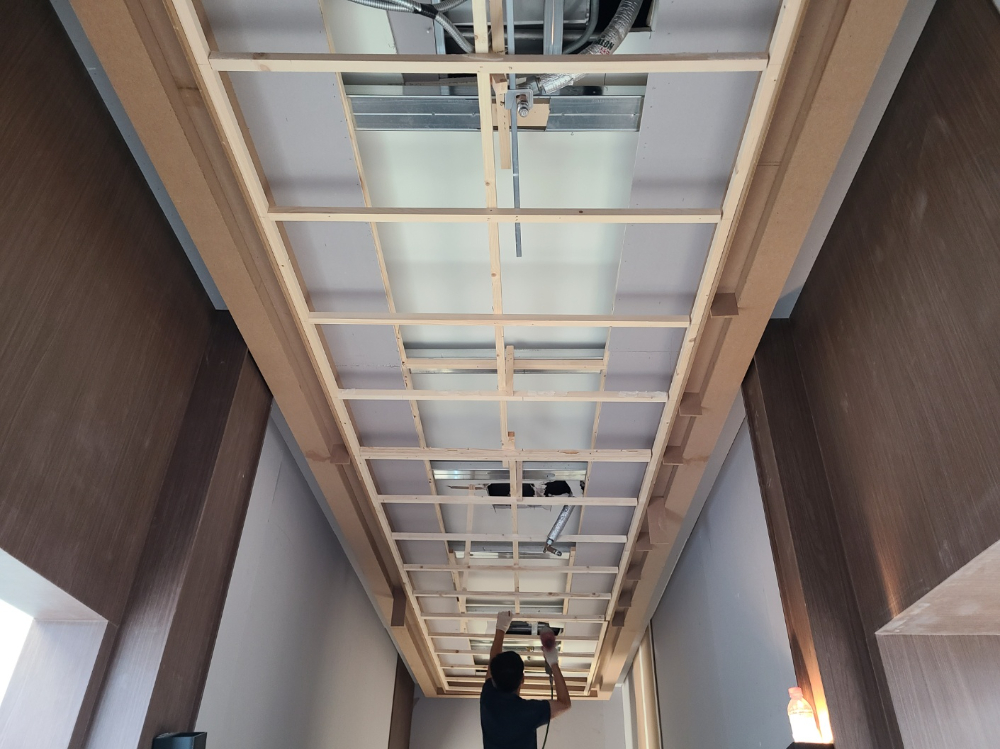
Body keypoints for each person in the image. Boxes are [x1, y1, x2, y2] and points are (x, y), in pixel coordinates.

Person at [480, 610, 572, 749]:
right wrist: (552, 661)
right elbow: (564, 704)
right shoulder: (489, 699)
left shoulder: (491, 699)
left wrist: (554, 664)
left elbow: (565, 704)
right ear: (523, 679)